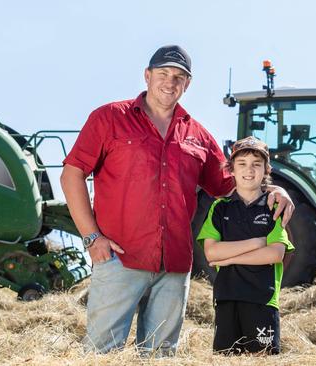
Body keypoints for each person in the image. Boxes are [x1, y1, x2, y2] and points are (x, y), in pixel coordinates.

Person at [60, 45, 295, 355]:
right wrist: (92, 237)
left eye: (179, 77)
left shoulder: (197, 135)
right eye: (163, 74)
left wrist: (277, 190)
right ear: (147, 76)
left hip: (173, 267)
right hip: (119, 258)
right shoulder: (110, 118)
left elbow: (229, 186)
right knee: (102, 353)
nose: (170, 83)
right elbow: (72, 174)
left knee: (161, 355)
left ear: (188, 84)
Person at [197, 136, 294, 355]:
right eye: (242, 164)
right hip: (227, 296)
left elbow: (275, 254)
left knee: (262, 358)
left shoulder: (274, 207)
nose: (248, 170)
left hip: (263, 297)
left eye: (256, 165)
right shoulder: (220, 209)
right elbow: (212, 251)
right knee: (226, 358)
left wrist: (230, 258)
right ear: (231, 169)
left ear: (266, 170)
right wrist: (256, 242)